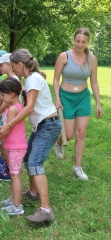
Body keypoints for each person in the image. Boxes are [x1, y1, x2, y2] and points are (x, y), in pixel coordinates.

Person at [0, 49, 61, 223]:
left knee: (35, 163)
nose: (12, 68)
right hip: (42, 126)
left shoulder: (32, 79)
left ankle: (46, 209)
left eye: (12, 65)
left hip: (48, 125)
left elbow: (29, 107)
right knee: (28, 160)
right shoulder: (30, 79)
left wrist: (9, 124)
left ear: (20, 65)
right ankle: (33, 192)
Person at [53, 27, 102, 180]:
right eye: (77, 41)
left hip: (83, 97)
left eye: (83, 42)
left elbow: (94, 83)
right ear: (74, 39)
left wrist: (98, 103)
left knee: (81, 132)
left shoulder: (92, 59)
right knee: (68, 134)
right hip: (66, 97)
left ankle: (78, 167)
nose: (79, 44)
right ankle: (59, 142)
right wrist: (58, 99)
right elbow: (55, 79)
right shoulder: (64, 56)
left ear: (87, 42)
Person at [0, 78, 27, 215]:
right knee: (12, 173)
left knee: (15, 175)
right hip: (11, 146)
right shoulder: (13, 108)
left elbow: (7, 130)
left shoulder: (14, 110)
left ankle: (17, 206)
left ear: (12, 94)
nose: (2, 98)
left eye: (3, 95)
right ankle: (13, 200)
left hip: (16, 147)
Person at [0, 53, 20, 173]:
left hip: (12, 115)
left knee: (9, 141)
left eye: (2, 65)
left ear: (9, 65)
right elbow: (2, 100)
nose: (0, 67)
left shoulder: (13, 80)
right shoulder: (8, 78)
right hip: (8, 114)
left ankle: (8, 167)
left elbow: (6, 103)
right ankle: (5, 162)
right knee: (6, 141)